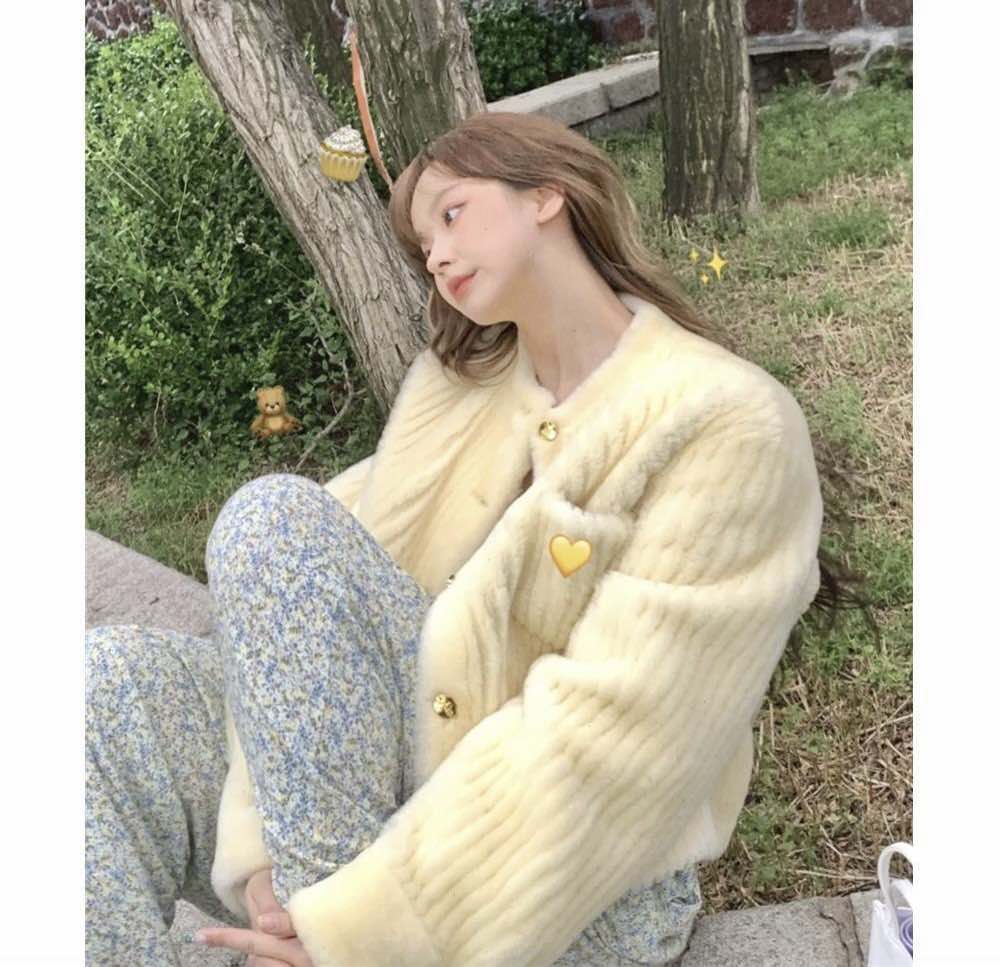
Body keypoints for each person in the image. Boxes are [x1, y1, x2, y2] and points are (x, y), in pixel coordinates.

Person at [85, 110, 839, 966]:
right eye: (423, 246)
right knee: (103, 688)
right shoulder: (457, 390)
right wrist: (262, 848)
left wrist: (358, 935)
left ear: (547, 194)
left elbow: (620, 745)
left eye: (451, 214)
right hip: (380, 808)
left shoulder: (727, 419)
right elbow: (300, 639)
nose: (437, 256)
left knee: (272, 521)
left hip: (563, 888)